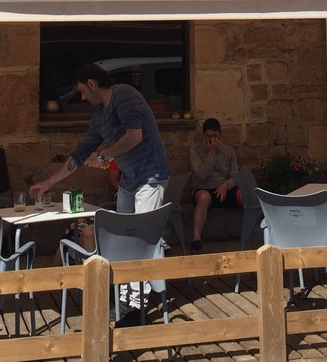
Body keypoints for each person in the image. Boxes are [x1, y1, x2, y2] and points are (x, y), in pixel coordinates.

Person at [30, 62, 169, 327]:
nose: (82, 97)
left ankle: (137, 308)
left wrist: (104, 156)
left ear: (92, 84)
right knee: (124, 242)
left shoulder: (125, 95)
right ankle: (126, 302)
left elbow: (135, 136)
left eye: (82, 91)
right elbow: (80, 153)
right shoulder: (99, 117)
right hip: (129, 182)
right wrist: (48, 182)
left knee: (140, 242)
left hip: (150, 178)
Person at [188, 117, 241, 253]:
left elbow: (235, 176)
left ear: (220, 134)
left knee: (244, 195)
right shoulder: (195, 150)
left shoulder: (229, 151)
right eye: (208, 136)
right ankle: (196, 239)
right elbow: (201, 175)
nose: (212, 139)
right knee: (203, 197)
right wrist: (212, 152)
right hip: (204, 188)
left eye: (215, 136)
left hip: (223, 188)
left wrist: (226, 185)